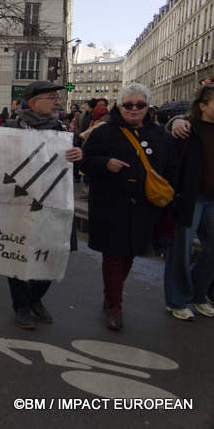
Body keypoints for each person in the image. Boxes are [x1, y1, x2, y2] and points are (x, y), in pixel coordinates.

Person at [81, 83, 176, 330]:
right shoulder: (103, 132)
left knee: (129, 254)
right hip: (111, 205)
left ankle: (111, 295)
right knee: (113, 255)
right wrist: (105, 163)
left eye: (140, 105)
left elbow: (170, 168)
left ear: (148, 107)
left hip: (145, 207)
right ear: (120, 106)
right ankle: (114, 305)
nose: (134, 109)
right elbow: (85, 162)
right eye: (129, 105)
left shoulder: (159, 135)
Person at [6, 81, 83, 329]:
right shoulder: (9, 129)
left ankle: (34, 298)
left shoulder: (61, 129)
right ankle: (22, 306)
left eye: (56, 97)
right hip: (19, 202)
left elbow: (74, 165)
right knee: (17, 254)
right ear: (33, 102)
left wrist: (79, 156)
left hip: (54, 203)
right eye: (51, 97)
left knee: (54, 252)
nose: (57, 101)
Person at [164, 83, 214, 320]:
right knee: (181, 251)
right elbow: (169, 156)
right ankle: (177, 300)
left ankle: (199, 294)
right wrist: (172, 122)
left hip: (213, 200)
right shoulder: (188, 129)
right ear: (203, 106)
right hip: (190, 198)